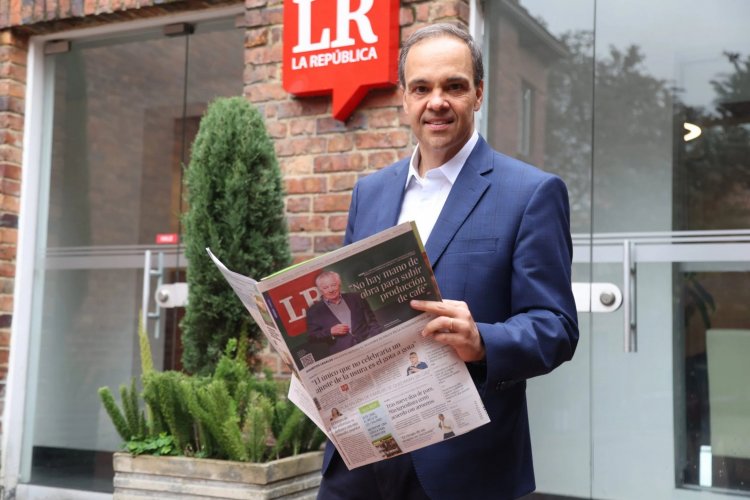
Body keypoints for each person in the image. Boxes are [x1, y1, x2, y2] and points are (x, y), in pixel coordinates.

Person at [317, 22, 579, 500]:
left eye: (453, 87)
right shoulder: (369, 192)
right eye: (421, 88)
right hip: (360, 456)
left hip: (463, 465)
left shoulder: (531, 193)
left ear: (478, 94)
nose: (436, 102)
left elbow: (556, 327)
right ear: (404, 98)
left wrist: (483, 340)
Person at [306, 270, 382, 356]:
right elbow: (312, 337)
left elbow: (372, 321)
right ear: (320, 289)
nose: (331, 290)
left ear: (339, 284)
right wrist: (330, 331)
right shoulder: (314, 311)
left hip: (370, 346)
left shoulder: (356, 298)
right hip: (344, 354)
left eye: (333, 285)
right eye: (325, 287)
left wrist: (376, 338)